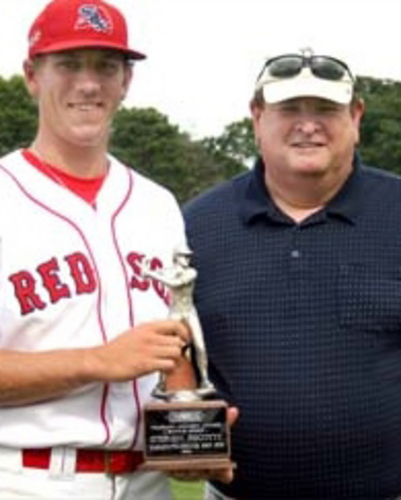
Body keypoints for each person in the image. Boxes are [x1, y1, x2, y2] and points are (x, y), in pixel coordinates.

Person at [184, 47, 401, 499]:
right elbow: (176, 352)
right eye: (288, 109)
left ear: (356, 117)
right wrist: (186, 441)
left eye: (326, 109)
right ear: (257, 117)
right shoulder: (195, 225)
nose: (308, 124)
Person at [0, 0, 193, 498]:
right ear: (31, 75)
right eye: (68, 64)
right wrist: (96, 361)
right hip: (27, 478)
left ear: (126, 82)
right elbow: (112, 360)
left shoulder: (158, 205)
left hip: (148, 482)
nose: (89, 83)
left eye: (106, 67)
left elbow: (176, 343)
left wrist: (190, 434)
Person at [141, 244, 215, 399]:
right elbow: (153, 272)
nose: (187, 259)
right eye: (183, 256)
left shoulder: (191, 272)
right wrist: (146, 271)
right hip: (175, 311)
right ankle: (161, 384)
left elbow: (175, 283)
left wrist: (150, 274)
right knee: (166, 349)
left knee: (200, 346)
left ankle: (205, 380)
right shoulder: (169, 271)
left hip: (189, 311)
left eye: (188, 256)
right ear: (176, 257)